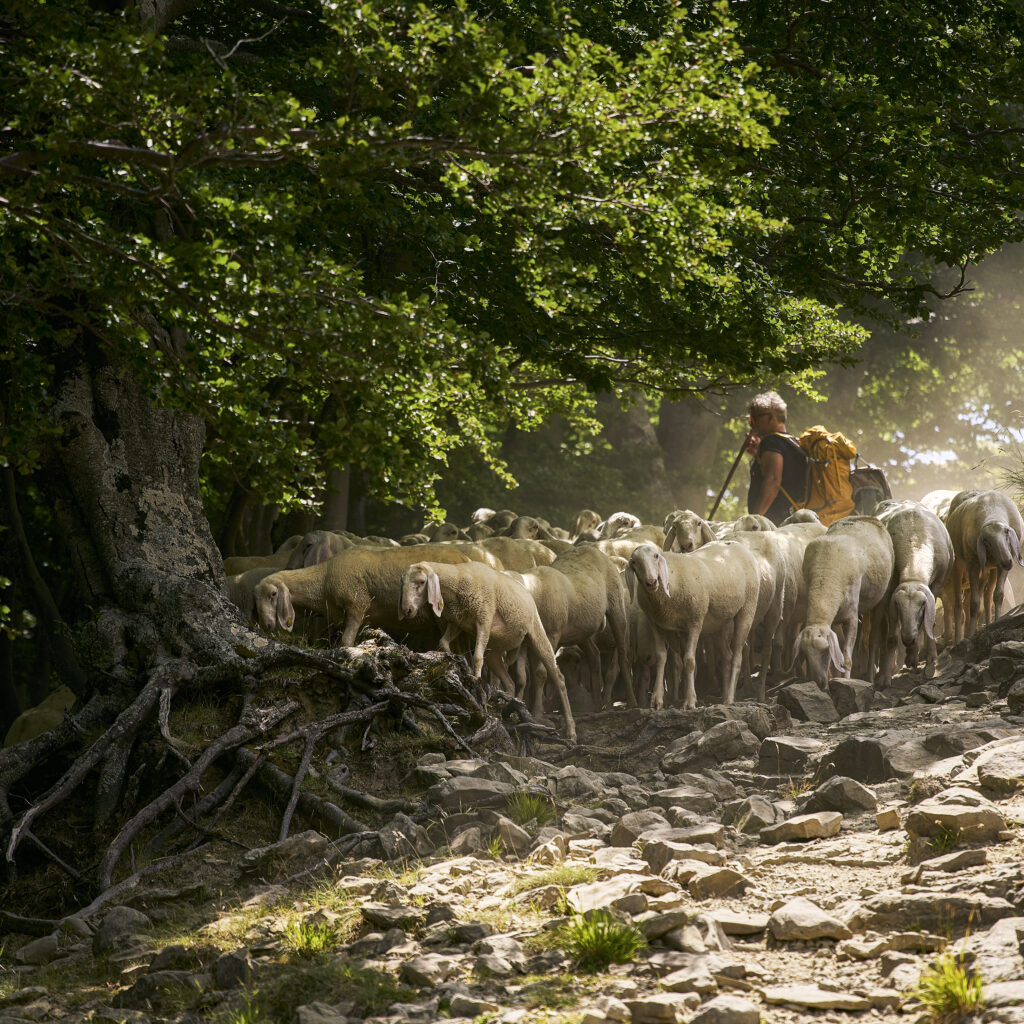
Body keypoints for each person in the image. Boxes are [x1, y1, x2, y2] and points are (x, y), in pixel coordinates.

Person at [745, 391, 807, 526]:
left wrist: (753, 520)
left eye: (754, 419)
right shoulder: (793, 442)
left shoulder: (772, 441)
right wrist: (758, 455)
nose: (752, 424)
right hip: (793, 520)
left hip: (775, 524)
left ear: (771, 418)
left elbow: (773, 481)